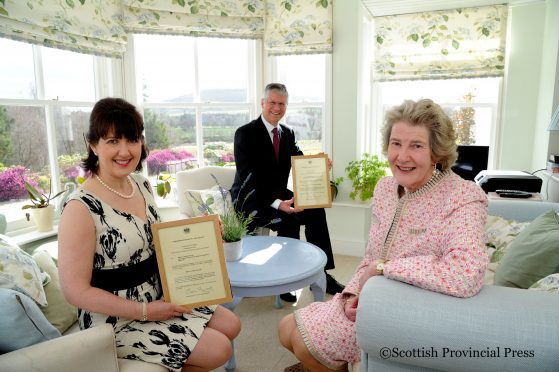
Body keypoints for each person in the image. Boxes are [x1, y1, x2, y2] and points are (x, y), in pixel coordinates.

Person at [278, 98, 489, 371]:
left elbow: (466, 273)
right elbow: (371, 257)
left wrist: (382, 270)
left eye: (416, 146)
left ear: (437, 152)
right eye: (396, 143)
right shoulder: (386, 189)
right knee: (284, 329)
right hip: (367, 295)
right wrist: (352, 293)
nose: (402, 157)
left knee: (305, 346)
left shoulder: (463, 196)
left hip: (403, 307)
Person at [58, 97, 241, 372]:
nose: (124, 150)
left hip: (158, 295)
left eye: (132, 139)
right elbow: (75, 291)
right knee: (219, 348)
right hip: (115, 319)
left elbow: (154, 238)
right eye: (112, 141)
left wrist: (202, 231)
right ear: (93, 145)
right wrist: (145, 312)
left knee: (232, 324)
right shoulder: (79, 208)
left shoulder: (141, 184)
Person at [230, 83, 344, 301]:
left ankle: (323, 274)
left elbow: (300, 161)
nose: (276, 107)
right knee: (288, 219)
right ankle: (286, 282)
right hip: (251, 201)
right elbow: (248, 179)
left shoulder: (287, 133)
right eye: (272, 102)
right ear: (263, 103)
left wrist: (320, 164)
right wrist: (277, 203)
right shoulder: (245, 133)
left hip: (280, 195)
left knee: (316, 210)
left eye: (281, 104)